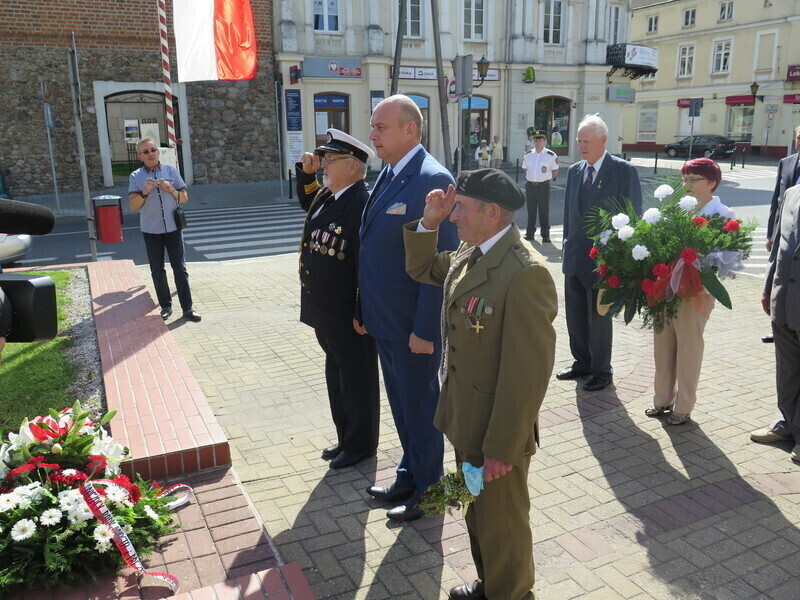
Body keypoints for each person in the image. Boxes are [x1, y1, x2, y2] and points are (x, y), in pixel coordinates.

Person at [403, 168, 558, 600]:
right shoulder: (469, 254)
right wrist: (429, 222)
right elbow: (419, 266)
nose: (454, 216)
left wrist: (502, 448)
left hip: (495, 432)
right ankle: (491, 585)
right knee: (478, 514)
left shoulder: (525, 273)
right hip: (467, 421)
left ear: (492, 212)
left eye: (461, 209)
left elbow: (526, 375)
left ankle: (511, 593)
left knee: (503, 524)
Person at [359, 94, 459, 522]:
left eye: (381, 127)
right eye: (373, 126)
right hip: (386, 321)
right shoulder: (390, 172)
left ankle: (431, 490)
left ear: (410, 130)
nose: (373, 134)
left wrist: (426, 329)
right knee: (402, 406)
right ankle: (410, 473)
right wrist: (366, 310)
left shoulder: (430, 179)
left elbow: (443, 264)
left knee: (420, 407)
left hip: (412, 327)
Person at [295, 129, 380, 469]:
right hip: (325, 308)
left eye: (331, 160)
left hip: (348, 312)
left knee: (357, 378)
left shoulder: (360, 202)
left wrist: (362, 310)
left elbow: (365, 264)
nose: (325, 165)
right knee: (337, 374)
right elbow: (308, 204)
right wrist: (306, 173)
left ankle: (361, 445)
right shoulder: (331, 196)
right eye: (325, 159)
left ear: (355, 167)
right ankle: (346, 436)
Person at [644, 159, 735, 426]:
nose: (687, 185)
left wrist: (697, 262)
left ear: (711, 182)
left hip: (696, 293)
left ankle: (683, 406)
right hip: (666, 289)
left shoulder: (722, 214)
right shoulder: (677, 211)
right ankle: (662, 399)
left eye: (694, 179)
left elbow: (728, 258)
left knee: (688, 348)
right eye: (685, 179)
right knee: (663, 346)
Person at [557, 114, 642, 391]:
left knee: (599, 317)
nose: (581, 146)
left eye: (586, 141)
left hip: (604, 260)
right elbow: (571, 215)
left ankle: (601, 370)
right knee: (576, 314)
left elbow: (633, 216)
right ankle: (581, 363)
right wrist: (566, 246)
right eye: (579, 141)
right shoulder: (575, 171)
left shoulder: (623, 171)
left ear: (603, 141)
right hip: (575, 257)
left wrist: (623, 259)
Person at [751, 184, 800, 464]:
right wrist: (769, 287)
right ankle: (787, 423)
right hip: (784, 298)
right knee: (787, 369)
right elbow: (779, 244)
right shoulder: (793, 192)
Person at [129, 139, 200, 322]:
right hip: (151, 230)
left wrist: (171, 190)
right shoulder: (135, 176)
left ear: (158, 152)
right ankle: (166, 306)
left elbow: (184, 198)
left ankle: (188, 308)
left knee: (180, 268)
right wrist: (144, 191)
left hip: (173, 227)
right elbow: (133, 206)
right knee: (157, 270)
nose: (151, 153)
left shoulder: (171, 171)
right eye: (146, 151)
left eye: (153, 150)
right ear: (140, 157)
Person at [762, 126, 800, 344]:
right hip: (783, 229)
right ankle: (776, 326)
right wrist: (770, 233)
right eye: (799, 137)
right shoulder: (786, 163)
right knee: (777, 280)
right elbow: (776, 200)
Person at [521, 130, 559, 243]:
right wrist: (534, 177)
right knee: (531, 211)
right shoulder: (528, 155)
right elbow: (525, 168)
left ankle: (545, 235)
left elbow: (555, 170)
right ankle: (530, 234)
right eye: (536, 140)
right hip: (531, 186)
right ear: (533, 141)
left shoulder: (550, 155)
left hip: (543, 186)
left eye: (540, 140)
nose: (537, 142)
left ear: (545, 141)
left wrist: (546, 180)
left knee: (544, 211)